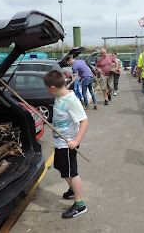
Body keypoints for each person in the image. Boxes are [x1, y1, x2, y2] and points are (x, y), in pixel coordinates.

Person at [43, 70, 89, 219]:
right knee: (61, 168)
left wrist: (76, 141)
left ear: (53, 87)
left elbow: (84, 121)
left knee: (71, 173)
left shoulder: (71, 100)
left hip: (68, 144)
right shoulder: (59, 96)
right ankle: (72, 189)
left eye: (47, 88)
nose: (48, 91)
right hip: (60, 142)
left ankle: (80, 205)